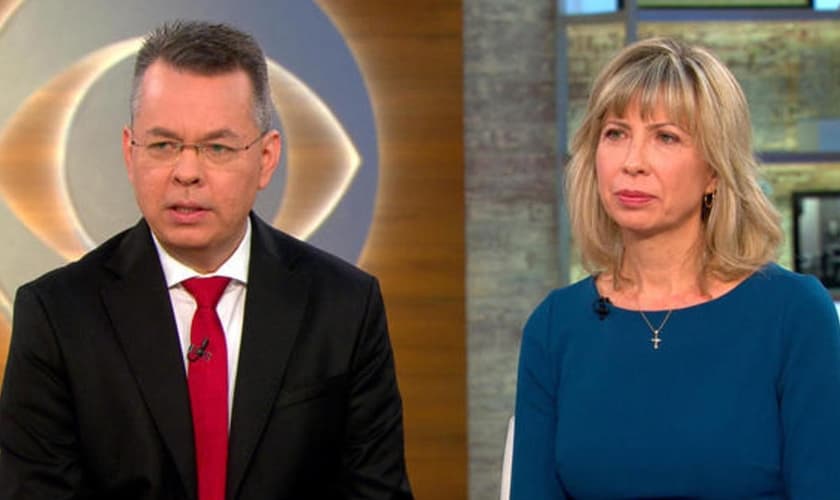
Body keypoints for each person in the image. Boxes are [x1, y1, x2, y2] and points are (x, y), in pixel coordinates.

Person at [0, 20, 413, 499]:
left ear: (266, 158)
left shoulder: (345, 308)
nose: (187, 173)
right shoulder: (57, 317)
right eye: (163, 145)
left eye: (216, 147)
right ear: (129, 153)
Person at [511, 37, 840, 499]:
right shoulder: (554, 327)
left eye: (665, 137)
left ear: (714, 172)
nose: (632, 163)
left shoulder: (794, 315)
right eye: (616, 133)